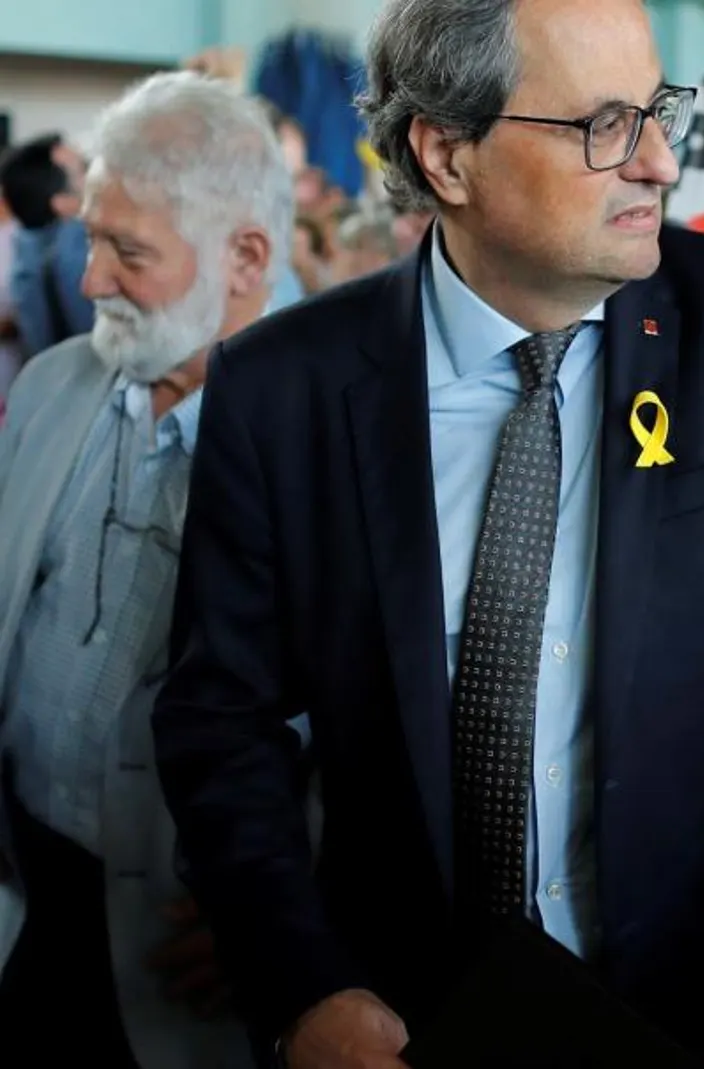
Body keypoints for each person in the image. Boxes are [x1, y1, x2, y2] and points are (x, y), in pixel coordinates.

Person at [151, 3, 704, 1069]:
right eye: (605, 125)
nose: (657, 163)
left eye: (659, 112)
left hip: (697, 1015)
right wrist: (303, 983)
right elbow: (220, 721)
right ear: (448, 153)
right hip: (404, 1021)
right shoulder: (284, 389)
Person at [0, 71, 292, 1068]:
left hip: (186, 946)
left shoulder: (335, 431)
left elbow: (392, 715)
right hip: (27, 892)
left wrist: (295, 905)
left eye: (128, 253)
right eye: (90, 239)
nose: (88, 282)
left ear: (246, 256)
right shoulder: (53, 382)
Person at [1, 133, 94, 356]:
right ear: (62, 203)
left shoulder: (28, 250)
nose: (98, 175)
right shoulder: (76, 255)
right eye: (85, 168)